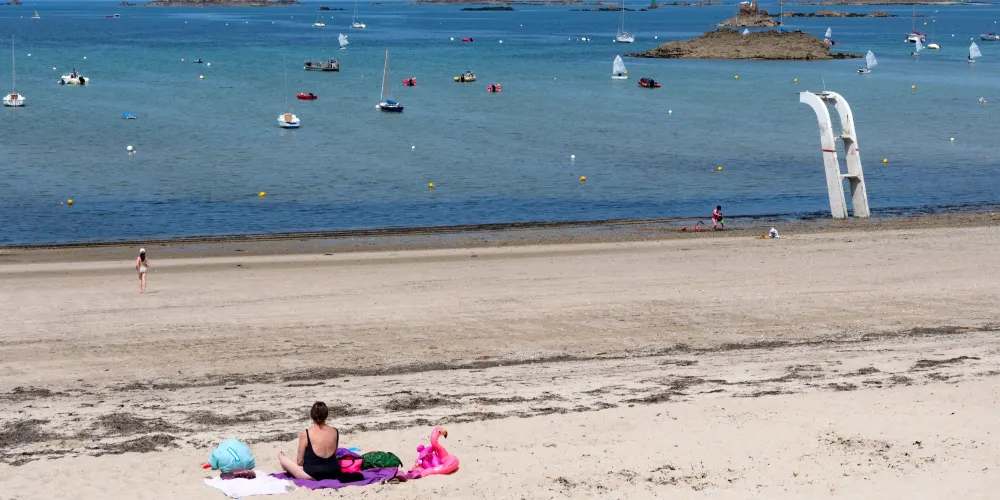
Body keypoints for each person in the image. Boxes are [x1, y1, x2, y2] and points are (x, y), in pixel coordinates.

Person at [279, 402, 364, 481]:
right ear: (326, 415)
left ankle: (281, 458)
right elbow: (333, 454)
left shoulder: (306, 433)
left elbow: (300, 462)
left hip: (313, 474)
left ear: (311, 414)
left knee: (283, 459)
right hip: (333, 472)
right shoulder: (335, 431)